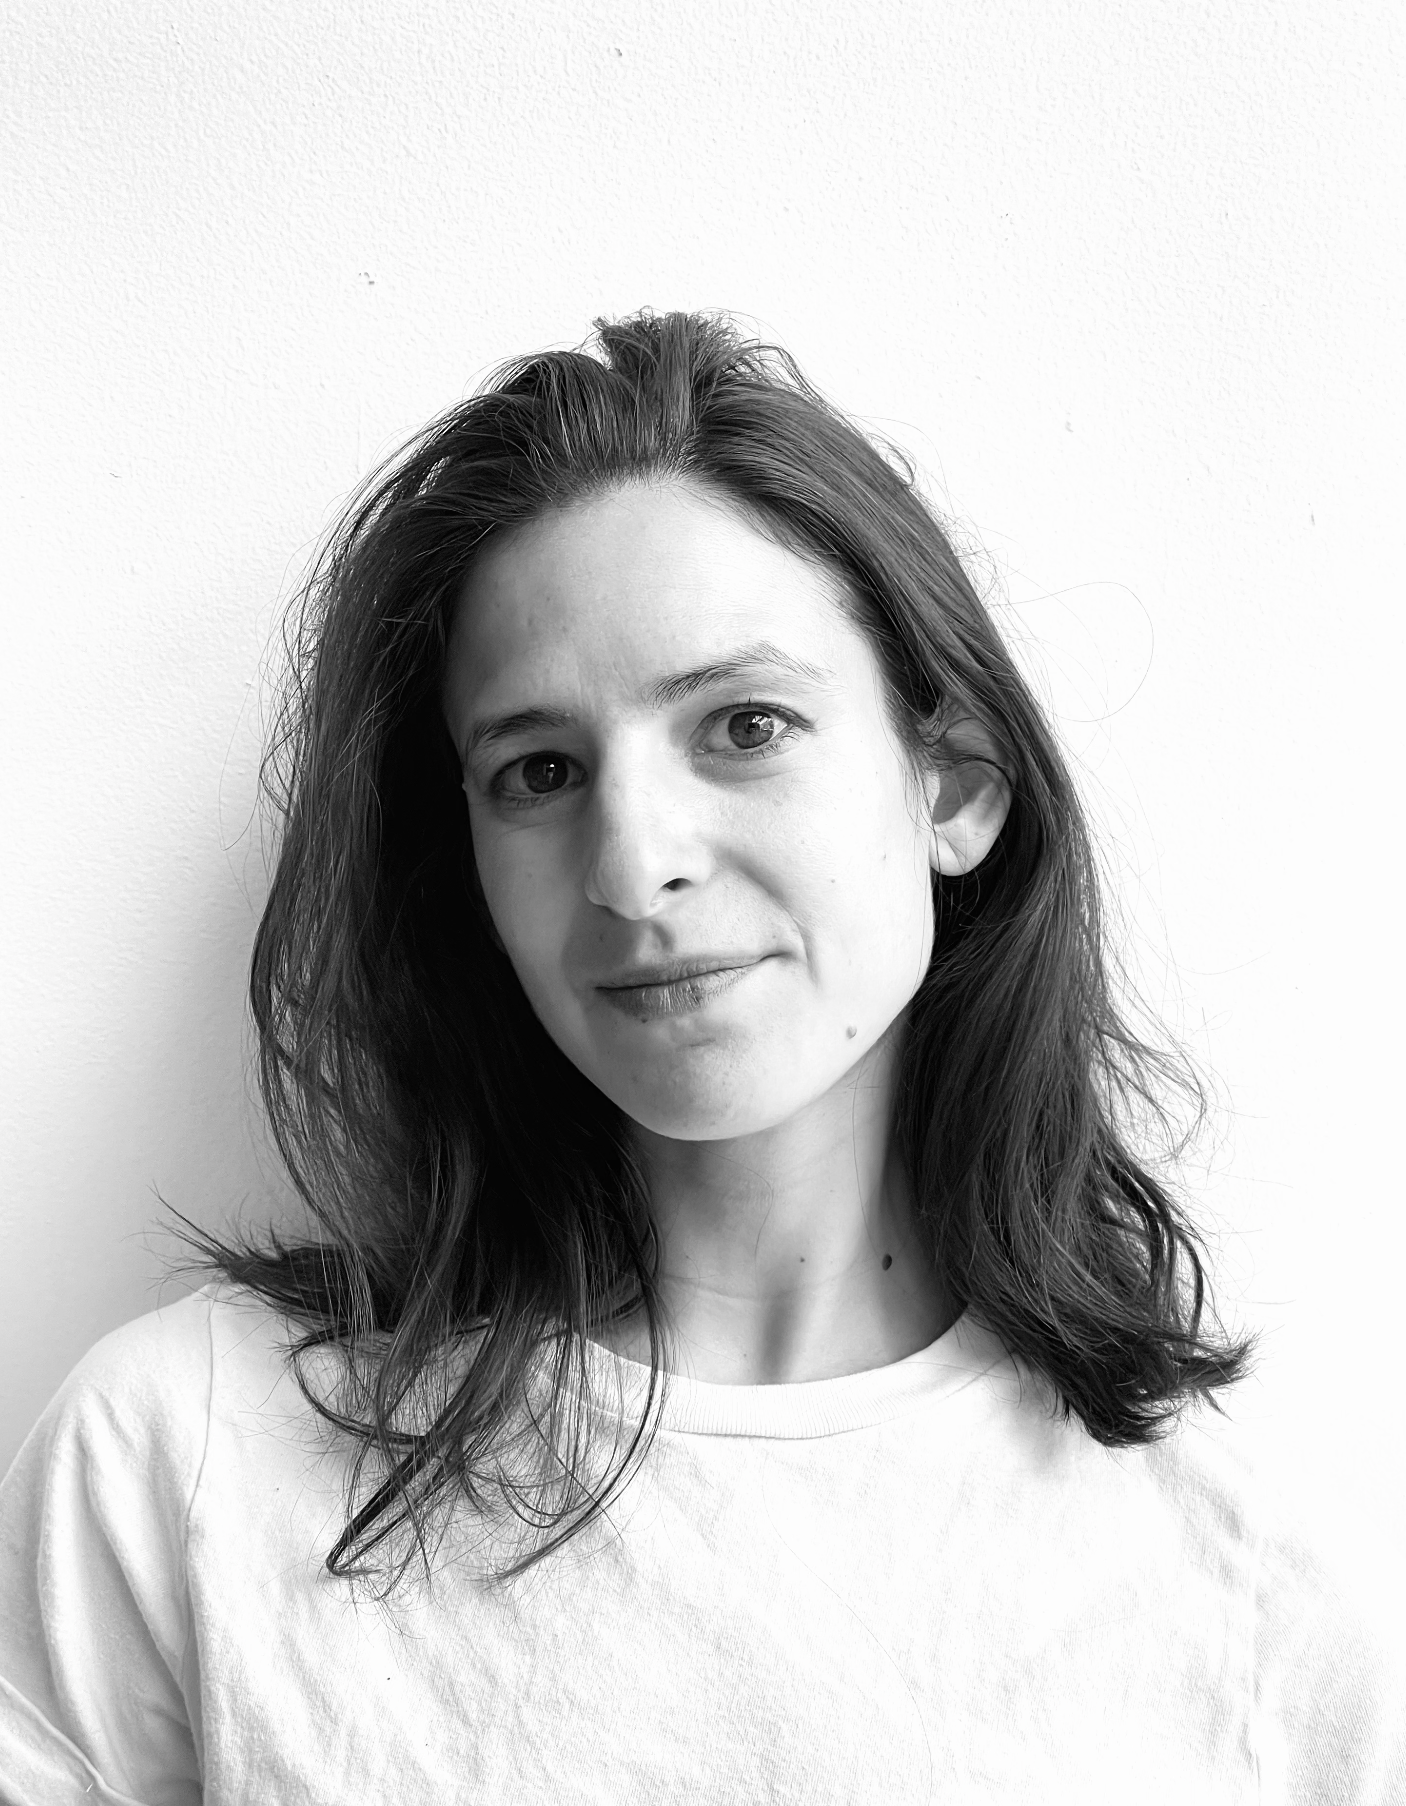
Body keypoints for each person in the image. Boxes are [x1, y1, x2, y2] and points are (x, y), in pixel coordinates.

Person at [0, 310, 1399, 1804]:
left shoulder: (1273, 1565)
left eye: (744, 725)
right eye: (539, 770)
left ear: (954, 787)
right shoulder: (187, 1462)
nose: (632, 863)